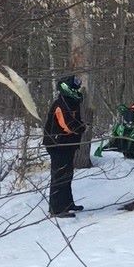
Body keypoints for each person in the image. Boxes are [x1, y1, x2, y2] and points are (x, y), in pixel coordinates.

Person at [42, 75, 87, 217]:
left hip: (68, 144)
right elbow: (67, 125)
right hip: (57, 145)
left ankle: (67, 203)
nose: (77, 90)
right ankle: (56, 209)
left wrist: (81, 127)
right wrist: (81, 128)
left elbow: (76, 121)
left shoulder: (71, 102)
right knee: (59, 176)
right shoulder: (60, 104)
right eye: (75, 88)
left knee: (68, 175)